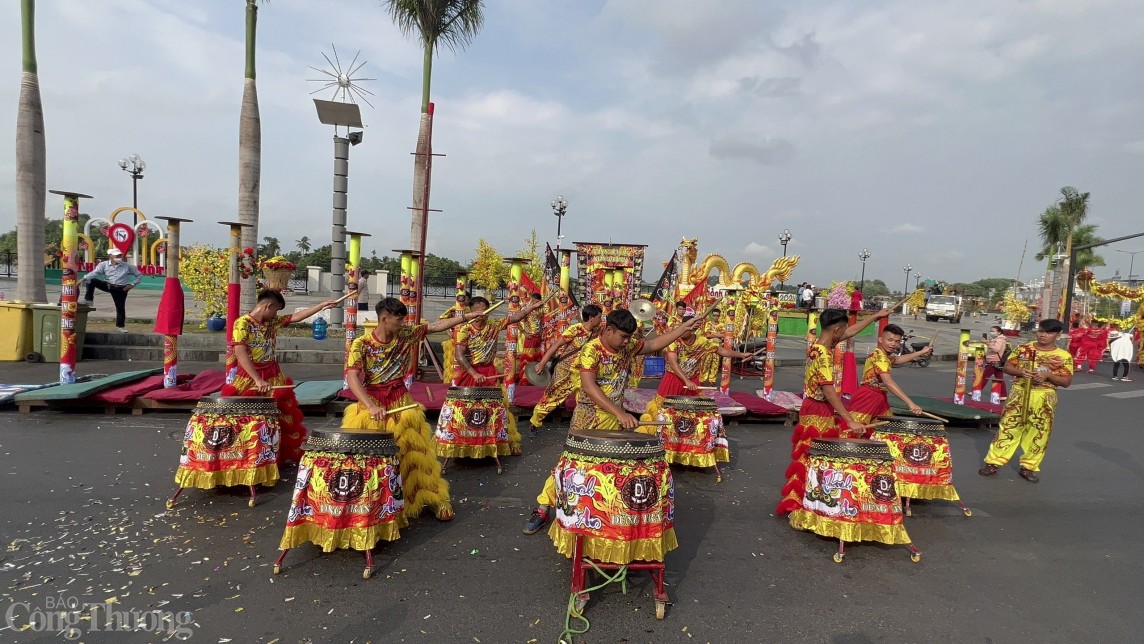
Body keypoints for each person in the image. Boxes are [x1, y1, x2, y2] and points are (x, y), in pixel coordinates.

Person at [522, 309, 704, 534]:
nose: (627, 342)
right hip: (588, 419)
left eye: (629, 337)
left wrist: (683, 329)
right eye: (623, 337)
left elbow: (653, 345)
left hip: (614, 420)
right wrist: (619, 413)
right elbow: (589, 386)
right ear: (608, 330)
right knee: (570, 465)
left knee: (608, 469)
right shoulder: (591, 350)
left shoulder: (626, 346)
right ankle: (542, 509)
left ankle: (599, 513)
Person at [343, 297, 489, 521]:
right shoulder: (361, 344)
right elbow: (352, 377)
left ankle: (432, 498)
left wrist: (468, 316)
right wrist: (371, 406)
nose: (403, 323)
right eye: (399, 320)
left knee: (416, 452)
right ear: (384, 319)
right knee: (370, 458)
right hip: (373, 401)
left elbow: (435, 326)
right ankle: (372, 503)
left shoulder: (406, 334)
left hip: (401, 399)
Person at [775, 307, 891, 515]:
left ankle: (812, 499)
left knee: (814, 454)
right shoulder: (824, 356)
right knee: (813, 454)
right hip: (818, 409)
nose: (845, 334)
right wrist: (849, 419)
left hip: (816, 406)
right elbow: (829, 390)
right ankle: (802, 503)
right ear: (836, 329)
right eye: (842, 330)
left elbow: (849, 332)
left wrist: (875, 317)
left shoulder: (821, 344)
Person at [222, 290, 337, 466]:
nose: (276, 315)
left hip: (273, 373)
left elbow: (297, 317)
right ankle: (246, 457)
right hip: (249, 375)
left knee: (280, 415)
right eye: (276, 310)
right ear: (268, 305)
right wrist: (258, 380)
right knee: (246, 418)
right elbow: (240, 352)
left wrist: (321, 306)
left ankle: (274, 456)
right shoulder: (242, 324)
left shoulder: (272, 321)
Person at [979, 318, 1073, 483]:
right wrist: (1022, 372)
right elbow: (1007, 367)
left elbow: (1066, 381)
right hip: (1019, 393)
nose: (1043, 335)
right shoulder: (1023, 349)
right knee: (1008, 427)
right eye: (1041, 331)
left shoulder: (1063, 356)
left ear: (1057, 335)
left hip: (1044, 396)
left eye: (1048, 332)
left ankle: (1028, 467)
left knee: (1039, 432)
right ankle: (993, 462)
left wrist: (1049, 375)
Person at [640, 314, 753, 421]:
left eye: (685, 329)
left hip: (692, 380)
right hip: (673, 379)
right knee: (662, 408)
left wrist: (742, 355)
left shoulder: (702, 341)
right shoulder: (674, 341)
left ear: (692, 329)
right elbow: (673, 363)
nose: (681, 332)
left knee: (693, 410)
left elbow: (722, 351)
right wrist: (686, 381)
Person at [527, 304, 604, 434]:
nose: (600, 319)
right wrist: (542, 363)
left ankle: (582, 429)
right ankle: (535, 421)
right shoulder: (575, 329)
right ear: (591, 318)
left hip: (583, 373)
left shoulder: (598, 331)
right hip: (565, 370)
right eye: (599, 317)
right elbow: (555, 346)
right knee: (552, 397)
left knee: (587, 398)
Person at [846, 323, 931, 433]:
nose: (893, 344)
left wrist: (920, 352)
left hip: (880, 397)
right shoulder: (879, 356)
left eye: (896, 341)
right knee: (854, 431)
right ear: (881, 340)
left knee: (886, 430)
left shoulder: (885, 355)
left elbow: (898, 360)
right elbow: (888, 382)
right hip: (867, 397)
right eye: (890, 340)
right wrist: (910, 403)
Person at [453, 296, 543, 386]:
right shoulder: (463, 329)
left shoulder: (494, 324)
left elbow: (515, 318)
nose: (482, 314)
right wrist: (474, 374)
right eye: (477, 312)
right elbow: (459, 355)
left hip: (489, 370)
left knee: (494, 399)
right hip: (470, 371)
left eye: (485, 311)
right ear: (471, 312)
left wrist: (532, 307)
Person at [78, 248, 141, 333]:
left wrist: (132, 284)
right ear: (110, 257)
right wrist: (83, 279)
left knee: (120, 307)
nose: (119, 257)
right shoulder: (103, 265)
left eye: (120, 256)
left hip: (121, 288)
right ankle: (88, 300)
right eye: (117, 256)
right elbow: (95, 273)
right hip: (108, 285)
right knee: (91, 280)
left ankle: (120, 327)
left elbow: (139, 275)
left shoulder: (127, 266)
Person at [512, 292, 545, 388]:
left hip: (538, 338)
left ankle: (536, 378)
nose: (536, 303)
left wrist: (541, 333)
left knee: (537, 358)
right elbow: (516, 321)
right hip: (529, 338)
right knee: (528, 358)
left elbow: (541, 323)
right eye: (534, 301)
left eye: (538, 302)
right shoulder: (525, 310)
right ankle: (525, 378)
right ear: (531, 300)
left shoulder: (541, 310)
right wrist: (525, 333)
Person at [972, 326, 1010, 404]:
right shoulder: (997, 339)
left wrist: (988, 344)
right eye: (991, 331)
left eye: (994, 331)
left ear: (999, 332)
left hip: (994, 361)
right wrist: (987, 342)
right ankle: (1003, 395)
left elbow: (996, 349)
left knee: (984, 377)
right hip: (996, 361)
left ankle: (976, 390)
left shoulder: (999, 340)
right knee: (999, 378)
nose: (992, 332)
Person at [439, 291, 471, 383]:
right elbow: (441, 319)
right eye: (461, 298)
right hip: (453, 340)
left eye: (465, 299)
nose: (463, 301)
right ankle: (450, 382)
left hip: (467, 340)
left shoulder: (471, 311)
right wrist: (449, 331)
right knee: (451, 363)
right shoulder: (453, 309)